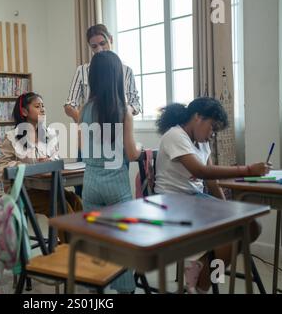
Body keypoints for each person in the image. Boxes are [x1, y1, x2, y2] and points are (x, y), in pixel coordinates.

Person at [154, 97, 271, 294]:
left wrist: (228, 208)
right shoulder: (175, 135)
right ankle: (201, 286)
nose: (212, 135)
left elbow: (210, 181)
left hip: (193, 200)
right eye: (212, 127)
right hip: (171, 203)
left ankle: (199, 272)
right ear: (198, 117)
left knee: (251, 226)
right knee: (237, 232)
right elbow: (201, 171)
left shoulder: (201, 143)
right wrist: (248, 169)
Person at [79, 50, 142, 294]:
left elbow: (83, 146)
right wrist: (141, 149)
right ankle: (125, 289)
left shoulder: (84, 108)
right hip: (116, 183)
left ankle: (97, 289)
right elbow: (132, 153)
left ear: (93, 77)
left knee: (96, 241)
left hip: (91, 181)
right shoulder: (123, 110)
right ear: (117, 77)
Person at [65, 24, 141, 196]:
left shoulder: (126, 71)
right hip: (89, 138)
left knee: (117, 183)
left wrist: (122, 114)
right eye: (94, 46)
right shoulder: (82, 70)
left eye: (103, 43)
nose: (99, 49)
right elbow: (69, 105)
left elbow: (136, 104)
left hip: (116, 137)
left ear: (111, 40)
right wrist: (87, 122)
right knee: (83, 188)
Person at [0, 92, 83, 220]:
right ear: (25, 112)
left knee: (75, 201)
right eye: (37, 106)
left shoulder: (49, 134)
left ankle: (82, 239)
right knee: (60, 206)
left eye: (43, 106)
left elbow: (56, 158)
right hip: (23, 192)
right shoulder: (12, 137)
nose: (42, 109)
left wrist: (49, 161)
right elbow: (1, 169)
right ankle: (72, 240)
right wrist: (31, 165)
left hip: (47, 188)